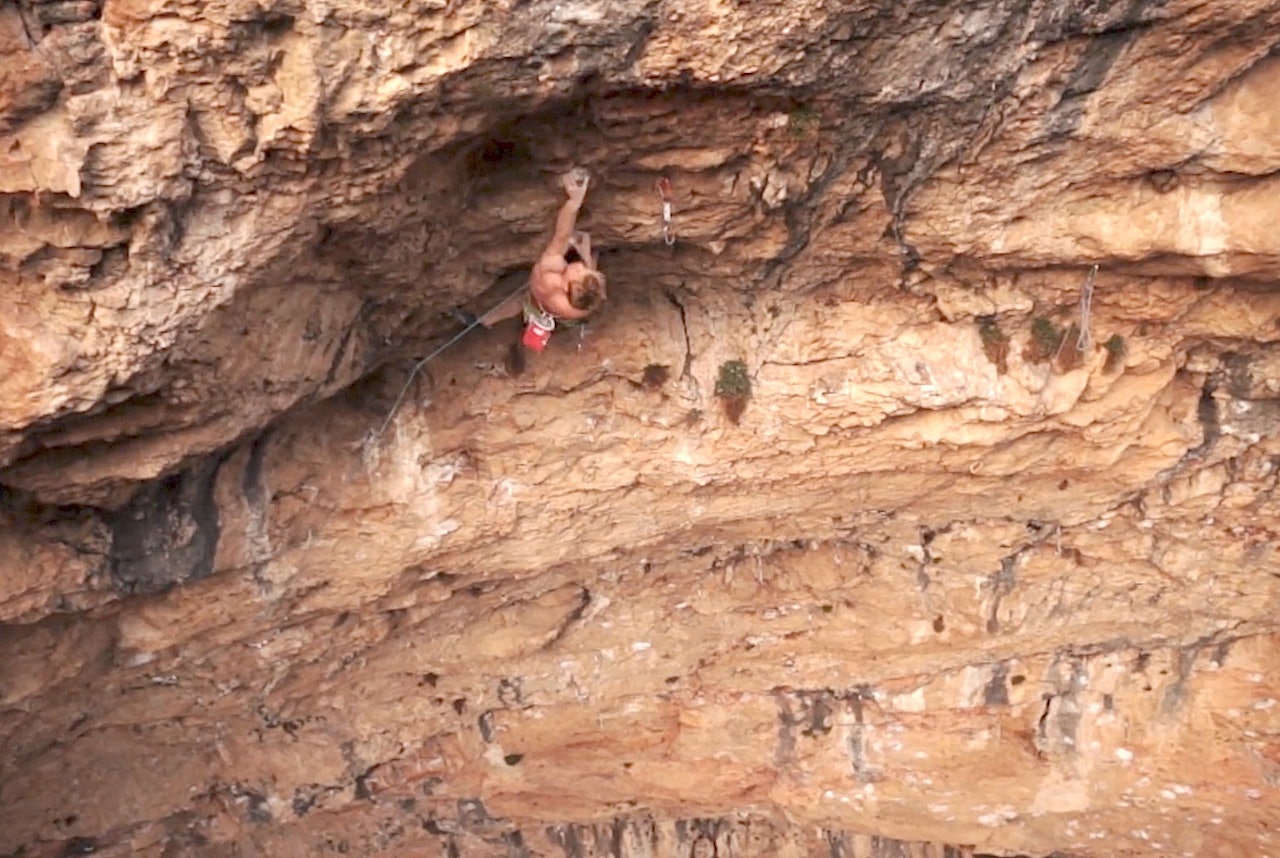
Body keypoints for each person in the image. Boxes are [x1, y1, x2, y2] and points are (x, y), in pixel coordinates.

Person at [480, 168, 608, 350]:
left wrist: (574, 202)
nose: (579, 265)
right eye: (584, 269)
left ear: (565, 286)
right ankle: (489, 319)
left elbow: (562, 235)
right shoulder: (581, 307)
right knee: (592, 258)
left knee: (520, 300)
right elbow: (591, 289)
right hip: (557, 314)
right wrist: (586, 254)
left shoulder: (549, 274)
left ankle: (486, 320)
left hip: (536, 298)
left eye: (578, 271)